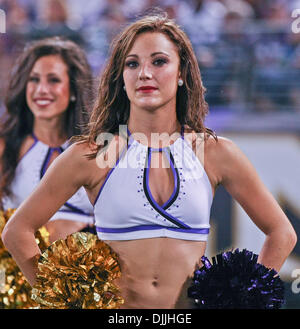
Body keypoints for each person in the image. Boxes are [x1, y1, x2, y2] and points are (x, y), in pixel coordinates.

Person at [2, 13, 297, 309]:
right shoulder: (91, 155)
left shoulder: (217, 153)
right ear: (122, 77)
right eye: (132, 63)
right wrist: (61, 299)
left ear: (182, 72)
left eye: (159, 61)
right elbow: (17, 231)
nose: (144, 73)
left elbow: (281, 232)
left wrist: (247, 297)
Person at [0, 37, 95, 243]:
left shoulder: (97, 150)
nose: (41, 89)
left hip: (91, 272)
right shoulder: (5, 147)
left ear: (73, 91)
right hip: (16, 271)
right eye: (34, 79)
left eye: (53, 80)